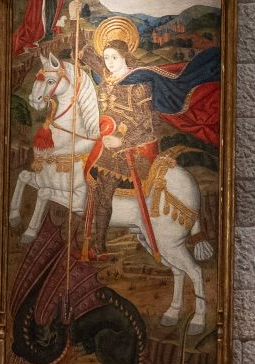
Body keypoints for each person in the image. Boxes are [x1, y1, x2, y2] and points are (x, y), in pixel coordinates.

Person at [78, 16, 158, 260]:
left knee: (104, 186)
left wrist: (121, 141)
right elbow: (83, 52)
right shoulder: (107, 75)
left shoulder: (138, 85)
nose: (110, 62)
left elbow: (147, 124)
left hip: (135, 147)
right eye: (107, 58)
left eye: (114, 58)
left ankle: (99, 247)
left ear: (125, 57)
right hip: (108, 144)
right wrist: (75, 19)